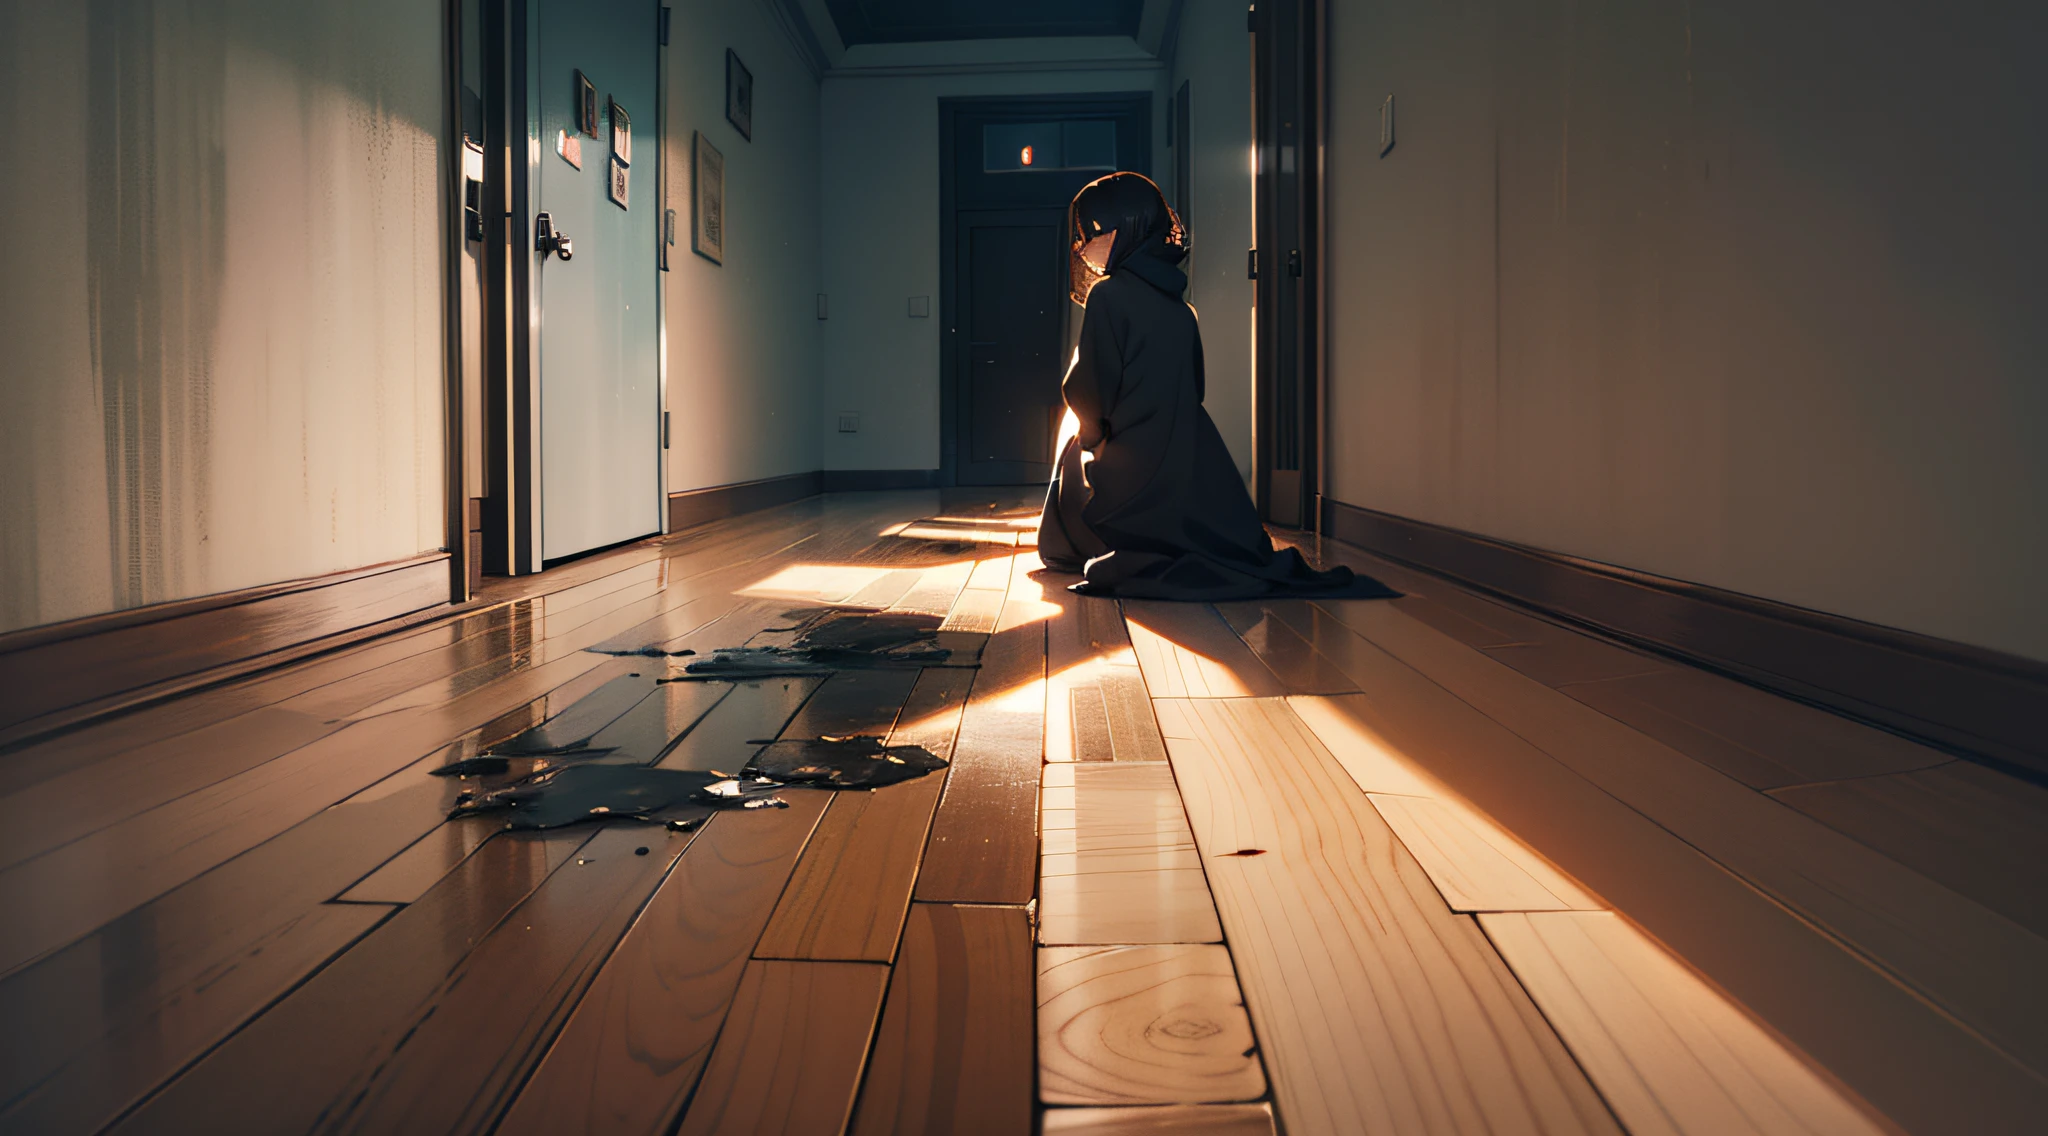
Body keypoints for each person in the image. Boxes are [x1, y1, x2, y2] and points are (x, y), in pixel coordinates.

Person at [1037, 172, 1392, 601]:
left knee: (1064, 508)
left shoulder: (1108, 297)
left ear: (1123, 231)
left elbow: (1089, 390)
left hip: (1135, 472)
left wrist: (1090, 438)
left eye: (1092, 234)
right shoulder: (1183, 310)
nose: (1084, 247)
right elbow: (1194, 387)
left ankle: (1116, 547)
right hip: (1194, 460)